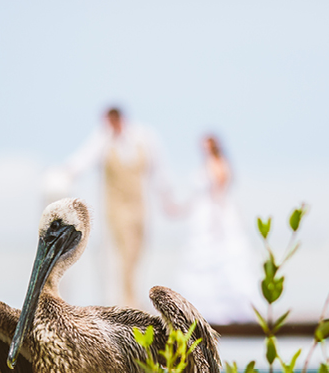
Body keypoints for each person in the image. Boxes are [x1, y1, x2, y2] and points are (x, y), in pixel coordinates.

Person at [54, 107, 168, 308]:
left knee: (137, 251)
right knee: (122, 251)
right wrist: (63, 173)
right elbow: (83, 159)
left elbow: (158, 170)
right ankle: (126, 302)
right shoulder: (102, 141)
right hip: (116, 207)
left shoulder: (143, 137)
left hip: (139, 205)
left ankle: (132, 297)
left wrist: (166, 198)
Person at [172, 135, 256, 324]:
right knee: (198, 259)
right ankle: (202, 308)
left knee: (219, 257)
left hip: (213, 214)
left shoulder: (219, 164)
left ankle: (224, 308)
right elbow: (195, 196)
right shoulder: (208, 164)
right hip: (201, 213)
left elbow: (220, 189)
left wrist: (216, 218)